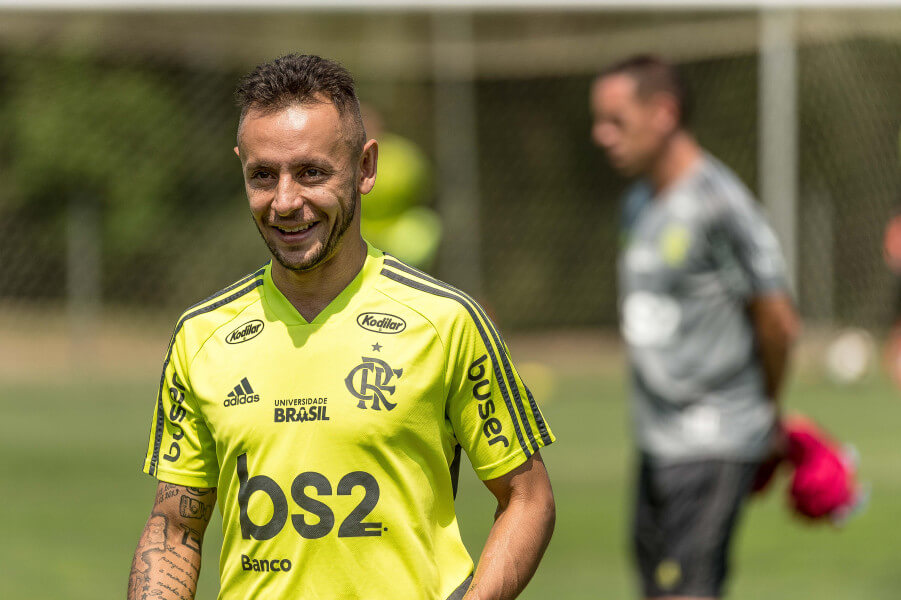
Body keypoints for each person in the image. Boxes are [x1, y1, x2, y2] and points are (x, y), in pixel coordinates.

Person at [129, 54, 555, 600]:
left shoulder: (446, 322)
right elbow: (175, 526)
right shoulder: (201, 336)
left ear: (365, 167)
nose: (285, 201)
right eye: (263, 175)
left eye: (311, 173)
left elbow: (527, 498)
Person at [590, 55, 799, 600]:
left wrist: (764, 411)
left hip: (715, 434)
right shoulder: (637, 204)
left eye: (616, 120)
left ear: (664, 113)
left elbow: (777, 320)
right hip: (656, 435)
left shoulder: (720, 203)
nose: (601, 135)